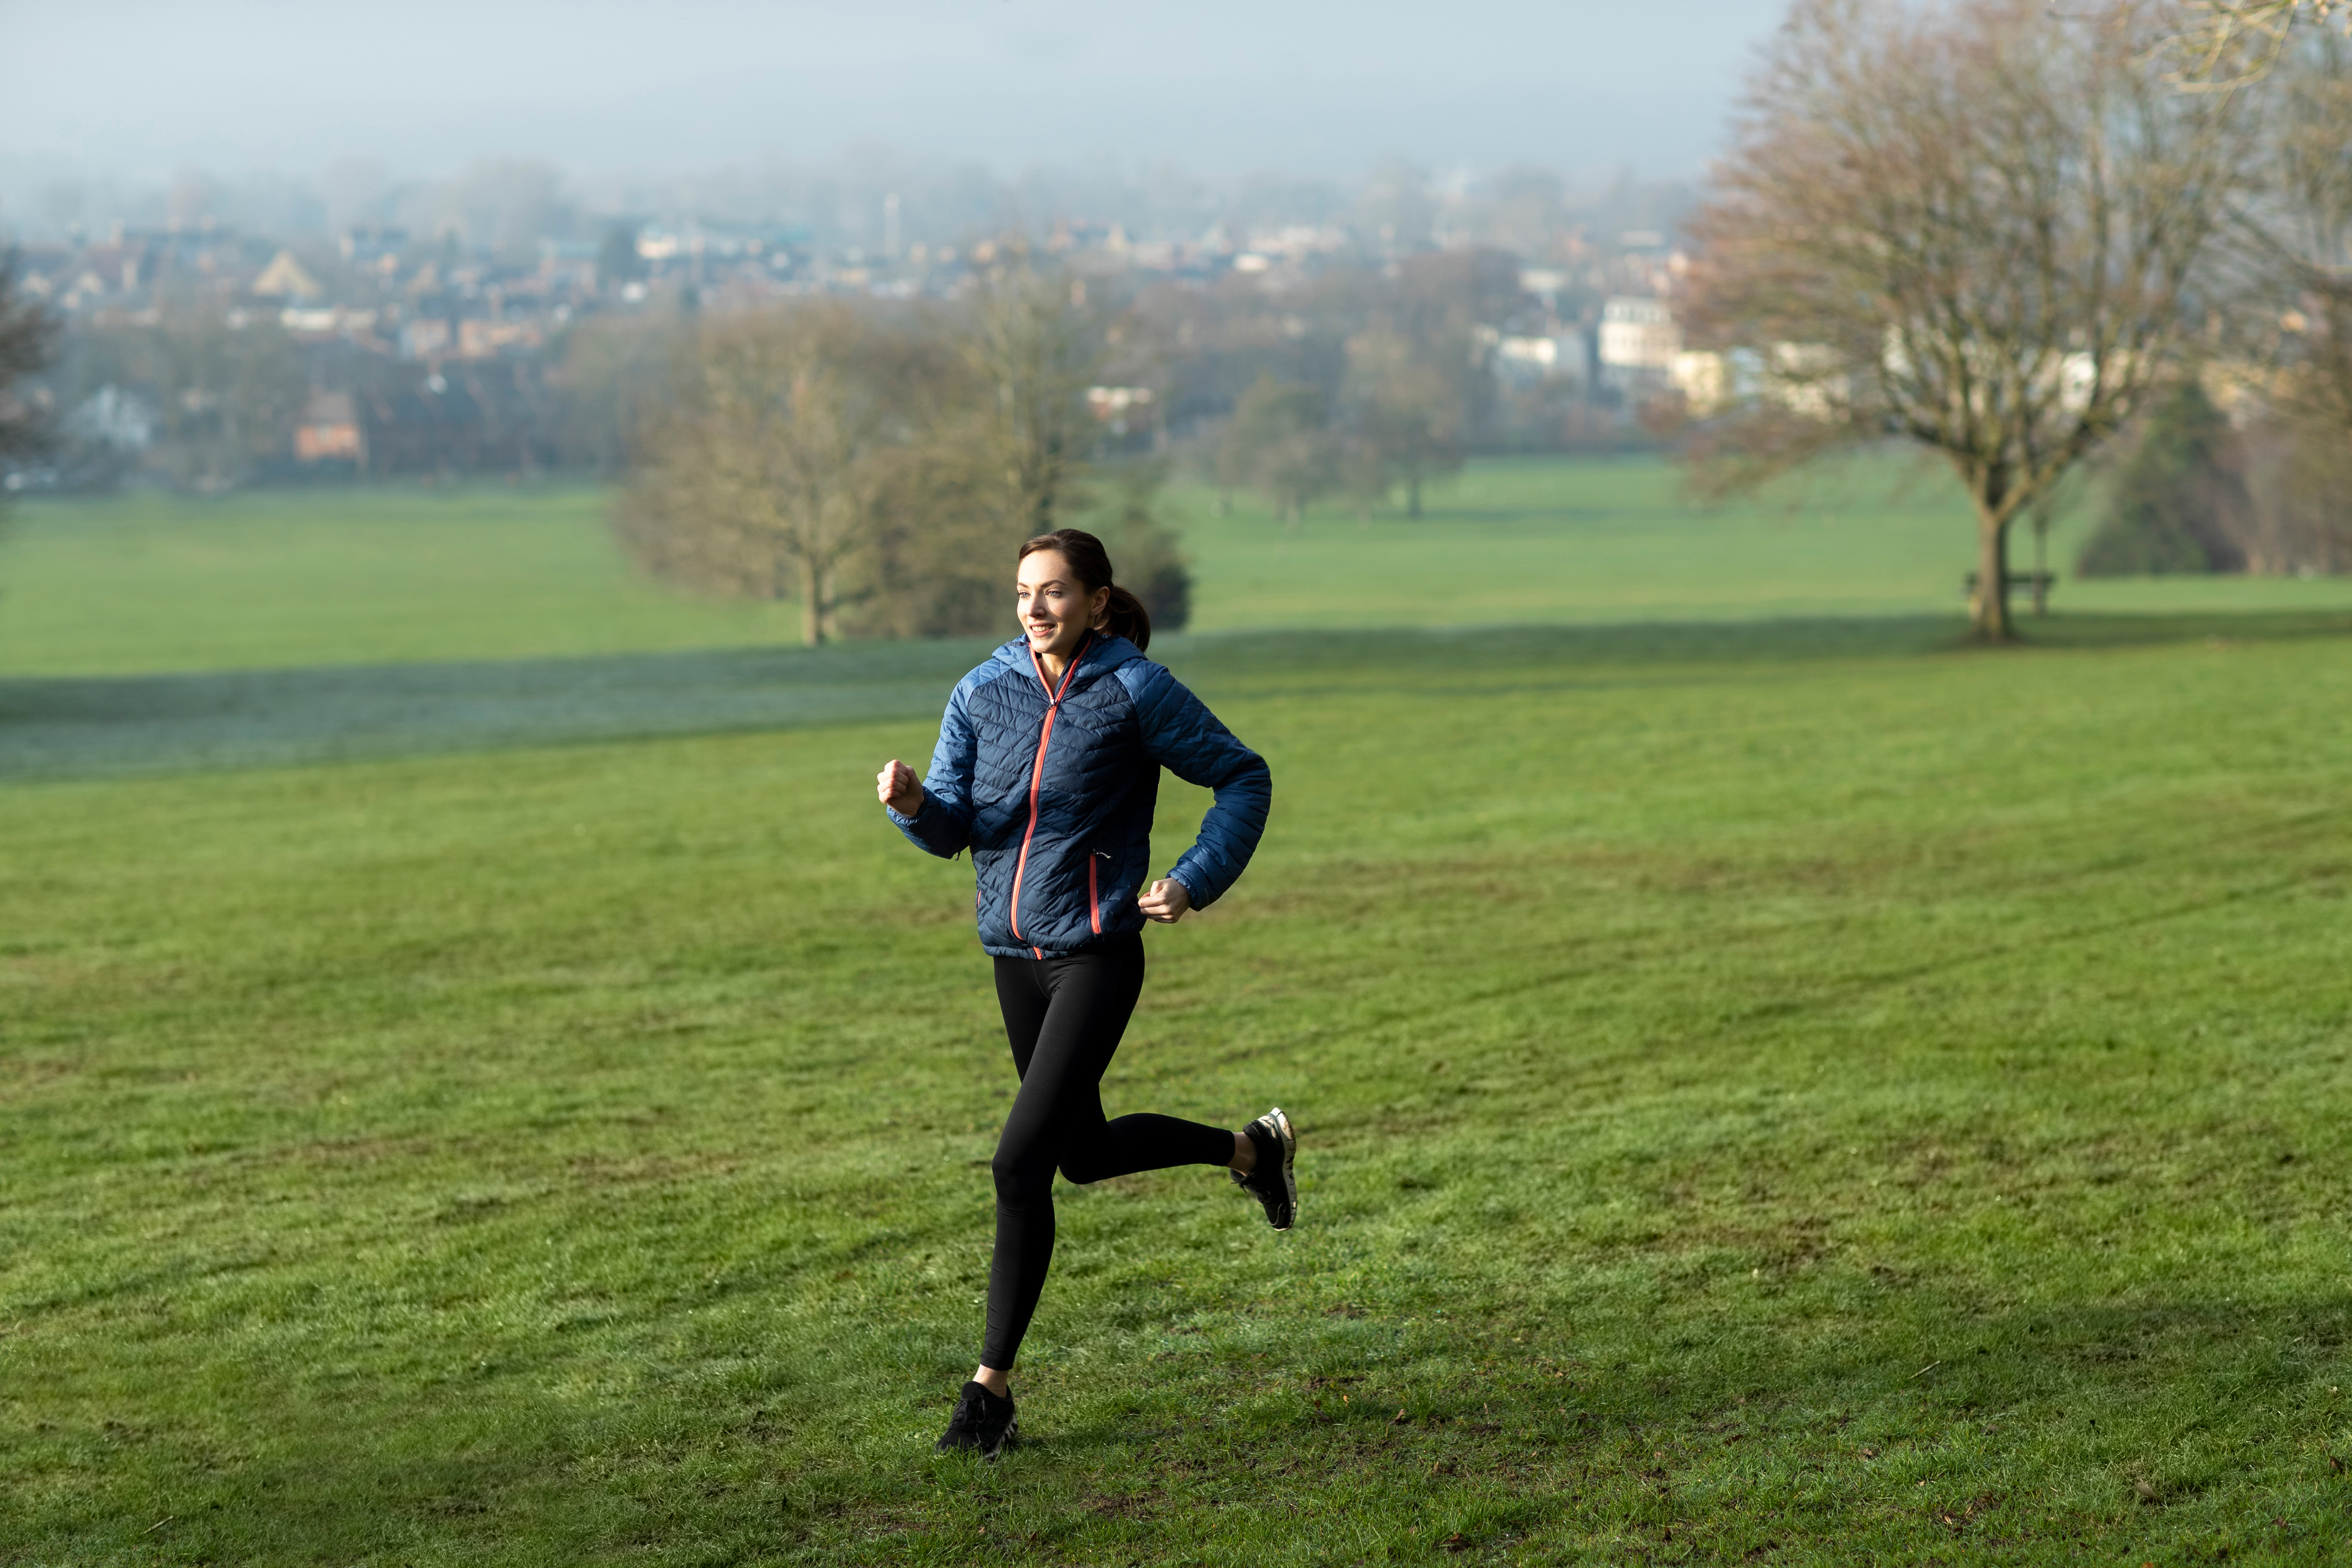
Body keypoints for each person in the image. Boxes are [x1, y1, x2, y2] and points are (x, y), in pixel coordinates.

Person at [876, 527, 1291, 1458]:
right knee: (1085, 1156)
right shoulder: (980, 692)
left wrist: (1192, 878)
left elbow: (1242, 777)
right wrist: (912, 809)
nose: (1036, 608)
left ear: (1099, 601)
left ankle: (990, 1398)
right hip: (1012, 956)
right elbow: (954, 829)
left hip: (1096, 952)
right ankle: (1252, 1152)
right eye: (1025, 591)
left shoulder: (1133, 690)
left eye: (1057, 591)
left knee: (1018, 1165)